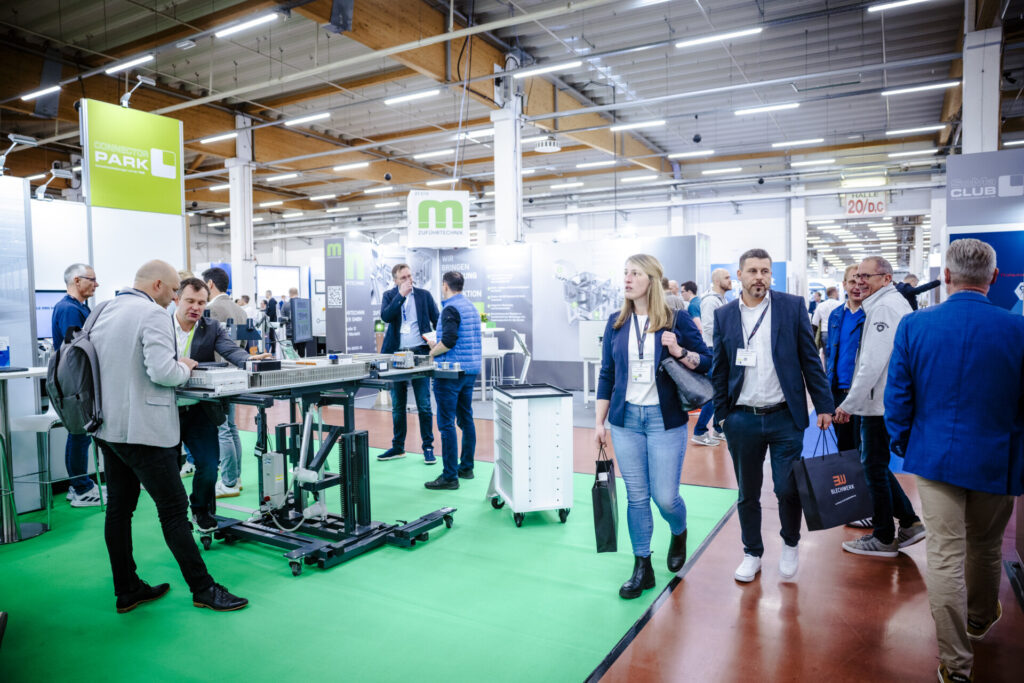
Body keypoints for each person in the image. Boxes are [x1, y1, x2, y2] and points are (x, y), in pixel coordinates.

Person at [885, 239, 1024, 683]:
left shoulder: (915, 326)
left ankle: (956, 665)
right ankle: (981, 619)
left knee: (944, 555)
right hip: (998, 459)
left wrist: (904, 442)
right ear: (995, 279)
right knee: (985, 547)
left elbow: (899, 396)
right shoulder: (1018, 329)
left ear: (945, 276)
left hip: (935, 456)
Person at [90, 260, 247, 613]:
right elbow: (163, 372)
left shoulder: (104, 310)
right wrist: (185, 366)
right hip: (144, 431)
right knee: (175, 512)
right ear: (159, 285)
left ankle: (127, 588)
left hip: (107, 428)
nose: (177, 297)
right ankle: (204, 589)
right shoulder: (152, 314)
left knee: (119, 509)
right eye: (176, 290)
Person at [711, 249, 834, 583]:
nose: (759, 277)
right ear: (739, 275)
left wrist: (823, 405)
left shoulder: (791, 307)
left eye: (765, 271)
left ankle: (790, 541)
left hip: (785, 417)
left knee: (786, 488)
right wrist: (722, 415)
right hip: (742, 419)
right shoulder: (724, 316)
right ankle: (752, 553)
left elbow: (810, 359)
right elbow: (719, 369)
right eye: (752, 271)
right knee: (747, 492)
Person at [595, 254, 711, 599]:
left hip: (665, 420)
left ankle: (679, 529)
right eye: (625, 272)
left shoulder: (676, 320)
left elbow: (706, 361)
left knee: (665, 496)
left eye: (635, 273)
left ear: (652, 280)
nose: (628, 279)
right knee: (637, 497)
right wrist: (599, 422)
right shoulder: (616, 322)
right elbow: (607, 373)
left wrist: (677, 350)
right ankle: (642, 565)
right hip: (625, 420)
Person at [835, 257, 925, 558]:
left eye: (866, 276)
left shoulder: (885, 307)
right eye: (856, 276)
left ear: (886, 279)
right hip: (879, 401)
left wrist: (849, 404)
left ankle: (885, 536)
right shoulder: (882, 304)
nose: (859, 281)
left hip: (877, 404)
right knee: (875, 464)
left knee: (872, 466)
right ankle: (910, 522)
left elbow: (872, 363)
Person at [173, 277, 270, 531]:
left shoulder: (211, 327)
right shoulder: (159, 326)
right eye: (190, 301)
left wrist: (251, 362)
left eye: (201, 302)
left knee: (207, 464)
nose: (196, 307)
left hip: (199, 409)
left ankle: (201, 510)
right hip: (166, 410)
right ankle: (175, 516)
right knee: (168, 471)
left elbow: (231, 351)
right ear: (177, 299)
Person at [51, 263, 105, 507]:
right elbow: (76, 348)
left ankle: (79, 485)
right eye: (91, 279)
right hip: (76, 378)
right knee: (79, 432)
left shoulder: (78, 308)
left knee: (81, 433)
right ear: (76, 280)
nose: (96, 284)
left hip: (80, 377)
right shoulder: (68, 310)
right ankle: (81, 488)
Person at [425, 271, 481, 490]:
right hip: (469, 371)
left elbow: (448, 340)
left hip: (450, 373)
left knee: (446, 423)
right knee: (466, 419)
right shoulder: (471, 308)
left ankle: (449, 476)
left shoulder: (450, 308)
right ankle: (466, 467)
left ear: (445, 285)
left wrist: (432, 352)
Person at [379, 263, 440, 464]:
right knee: (398, 404)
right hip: (396, 355)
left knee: (423, 403)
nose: (409, 280)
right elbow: (386, 317)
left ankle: (428, 447)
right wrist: (401, 296)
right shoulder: (390, 296)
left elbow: (437, 320)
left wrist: (434, 339)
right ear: (396, 280)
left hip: (420, 355)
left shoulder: (424, 295)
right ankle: (398, 447)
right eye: (403, 278)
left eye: (410, 276)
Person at [199, 267, 250, 498]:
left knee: (222, 429)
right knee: (231, 427)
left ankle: (228, 482)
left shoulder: (211, 310)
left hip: (218, 377)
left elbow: (206, 346)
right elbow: (245, 347)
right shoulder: (241, 310)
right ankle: (235, 478)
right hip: (237, 372)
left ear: (209, 284)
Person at [825, 266, 865, 454]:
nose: (857, 286)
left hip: (864, 395)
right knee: (845, 451)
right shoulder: (836, 315)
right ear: (844, 285)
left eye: (861, 282)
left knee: (867, 454)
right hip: (839, 394)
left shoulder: (872, 314)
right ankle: (851, 485)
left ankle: (873, 485)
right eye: (852, 281)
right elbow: (830, 354)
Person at [691, 268, 732, 447]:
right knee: (715, 393)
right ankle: (700, 431)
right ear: (717, 281)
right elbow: (708, 328)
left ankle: (718, 429)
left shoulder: (722, 299)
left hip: (720, 350)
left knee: (721, 391)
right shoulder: (710, 301)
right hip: (714, 349)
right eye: (727, 278)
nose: (730, 280)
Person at [811, 286, 842, 350]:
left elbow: (814, 322)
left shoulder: (821, 305)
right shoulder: (841, 305)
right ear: (834, 293)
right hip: (837, 332)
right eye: (837, 292)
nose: (838, 294)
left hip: (825, 332)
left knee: (826, 356)